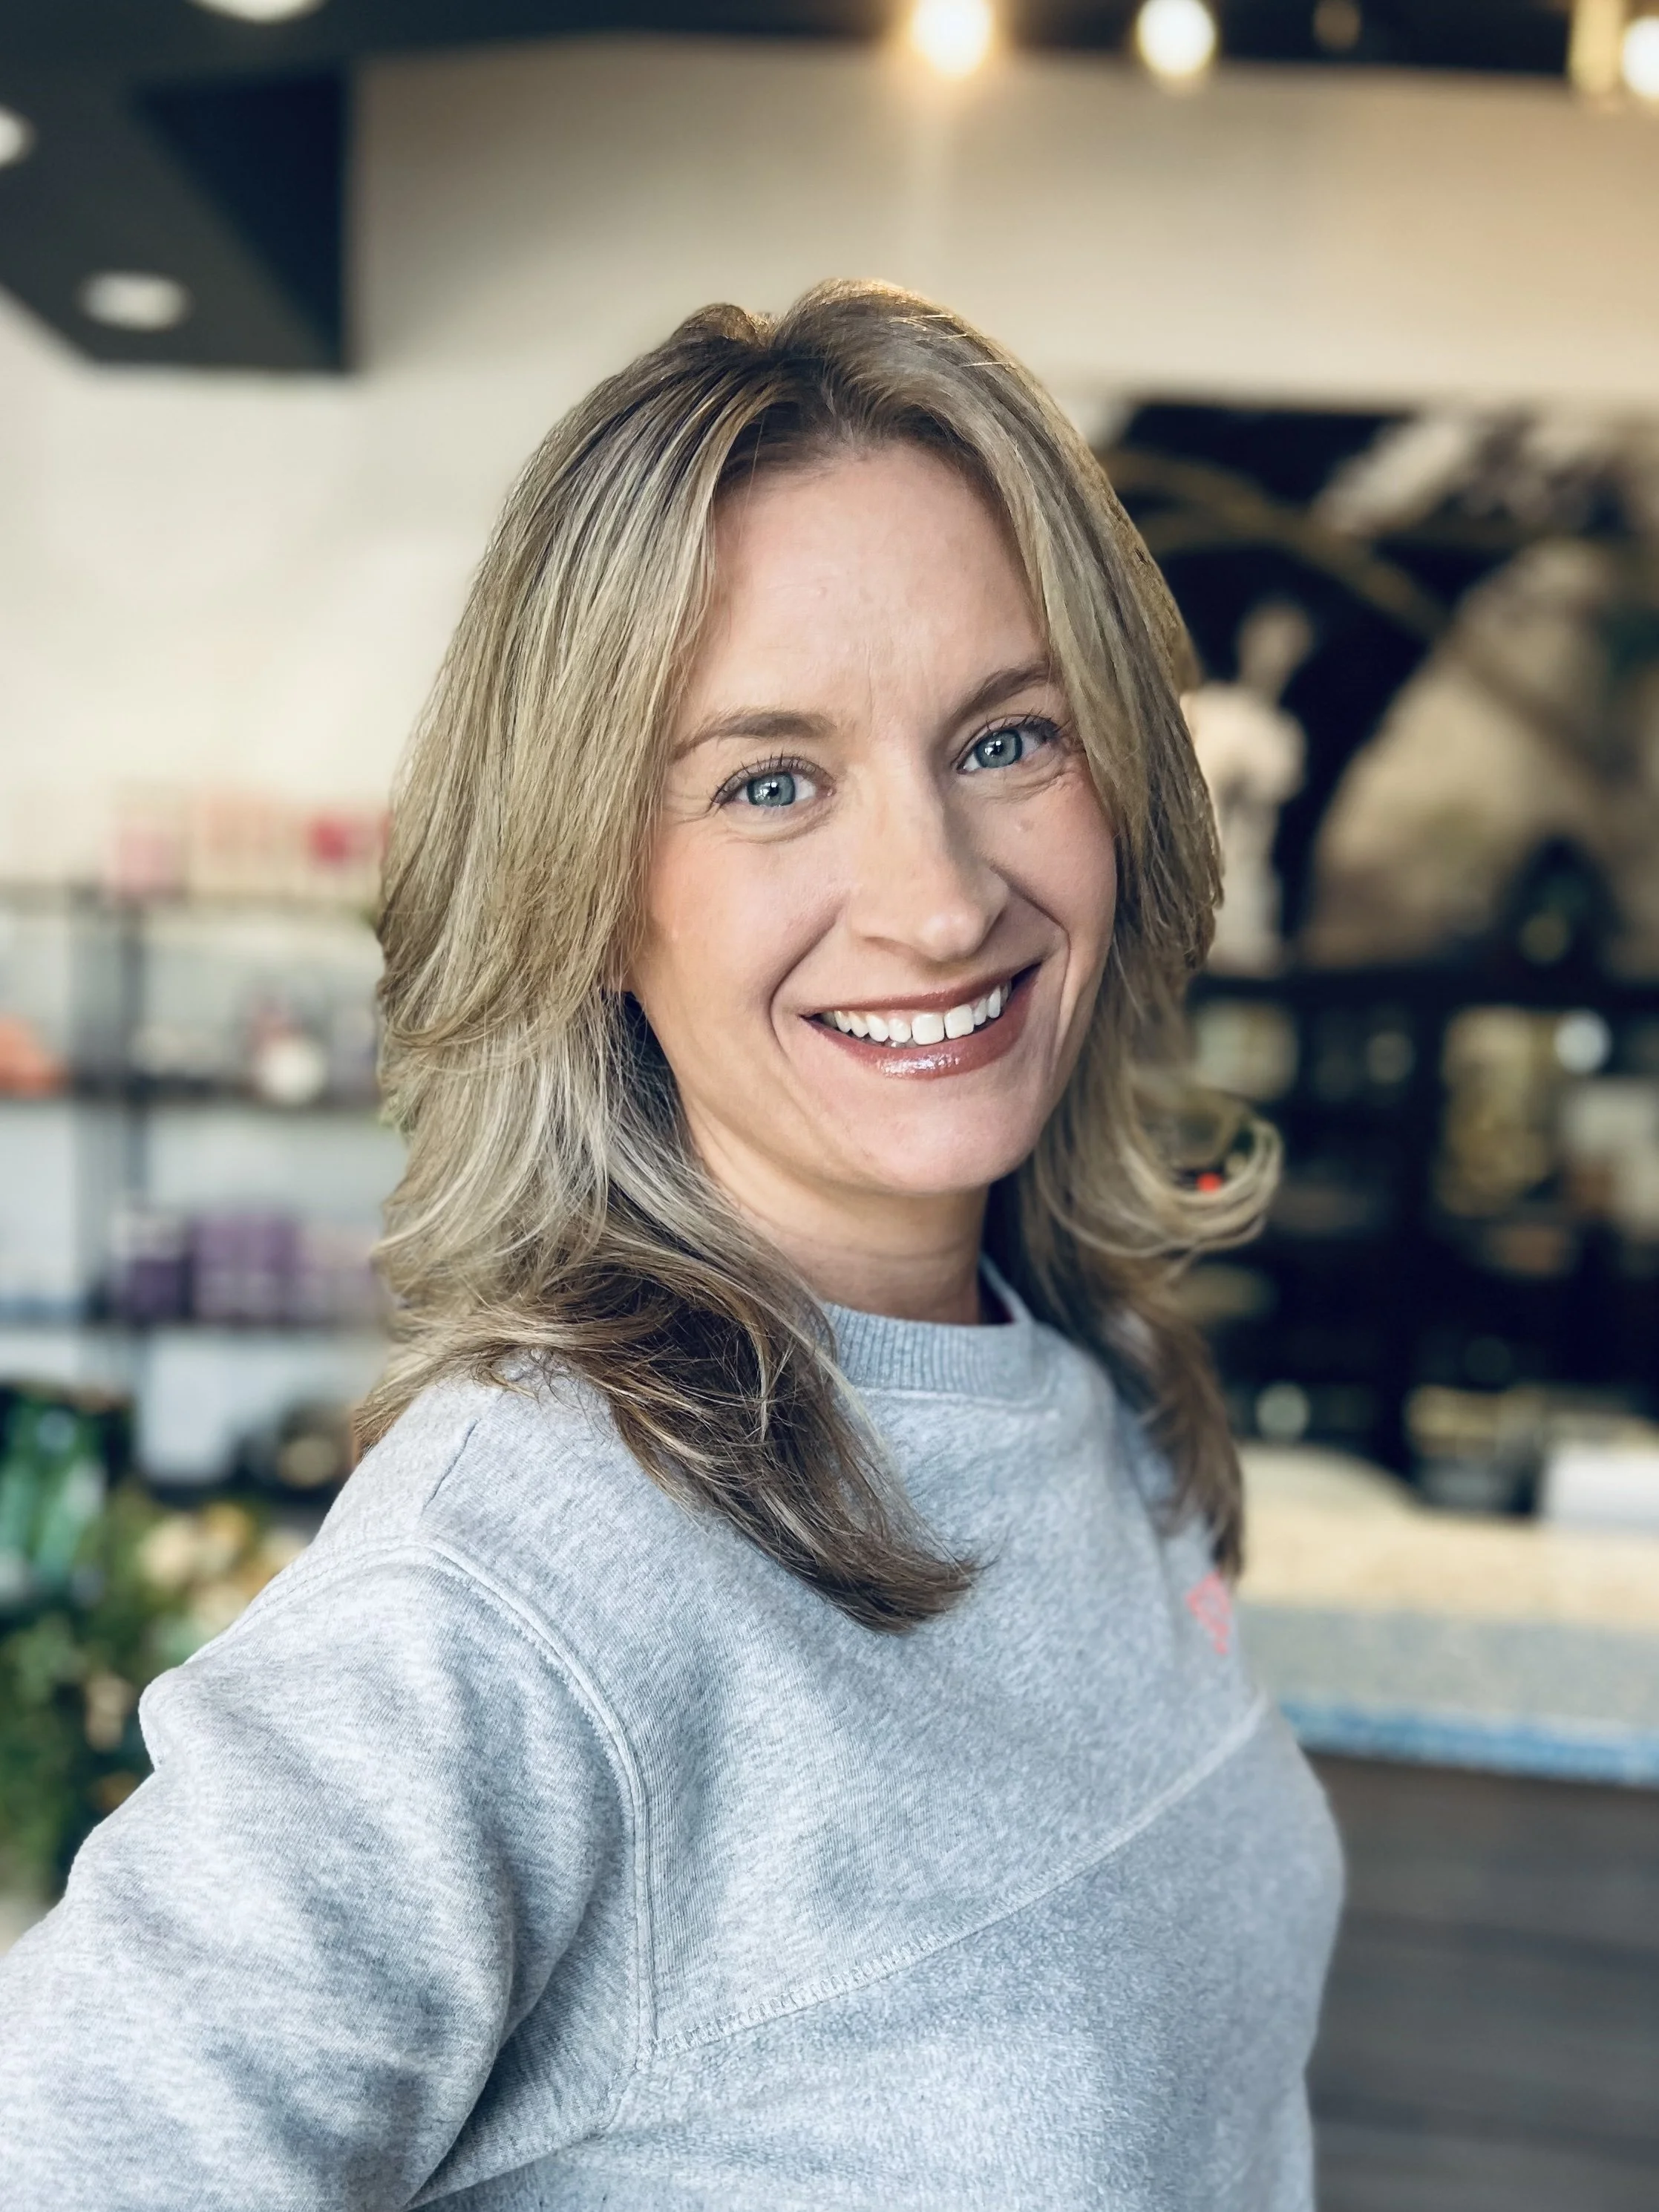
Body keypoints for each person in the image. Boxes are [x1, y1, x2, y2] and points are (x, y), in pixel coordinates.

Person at [0, 283, 1341, 2210]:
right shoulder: (521, 1581)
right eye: (770, 780)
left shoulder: (1085, 1383)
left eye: (1009, 738)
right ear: (594, 889)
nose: (939, 897)